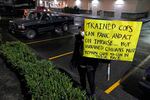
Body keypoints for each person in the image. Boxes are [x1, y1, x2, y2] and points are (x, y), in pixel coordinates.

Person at [71, 26, 99, 98]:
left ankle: (93, 93)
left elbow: (100, 52)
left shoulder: (95, 39)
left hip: (90, 65)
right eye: (81, 30)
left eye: (84, 30)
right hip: (81, 63)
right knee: (82, 78)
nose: (82, 31)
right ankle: (83, 89)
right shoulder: (78, 39)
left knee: (91, 80)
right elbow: (76, 51)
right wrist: (73, 61)